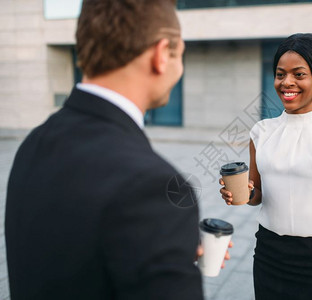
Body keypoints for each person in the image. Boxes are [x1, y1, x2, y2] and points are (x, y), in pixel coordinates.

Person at [5, 1, 207, 299]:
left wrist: (165, 252)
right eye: (181, 54)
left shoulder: (34, 143)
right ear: (161, 54)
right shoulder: (153, 188)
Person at [220, 33, 312, 300]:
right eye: (280, 73)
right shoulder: (261, 132)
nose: (287, 82)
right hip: (269, 255)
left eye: (299, 74)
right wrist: (242, 194)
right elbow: (257, 193)